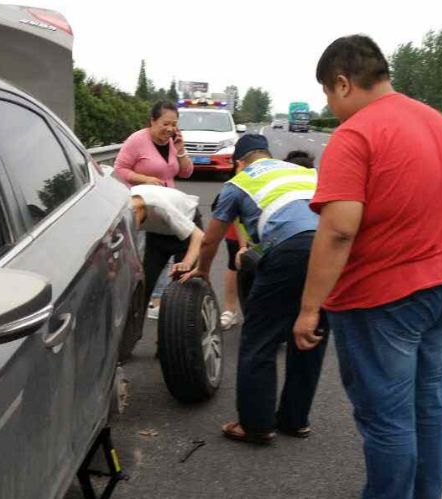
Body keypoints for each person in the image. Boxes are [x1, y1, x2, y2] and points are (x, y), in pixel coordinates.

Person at [293, 35, 442, 499]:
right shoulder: (434, 120)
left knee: (387, 419)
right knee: (426, 403)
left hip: (386, 297)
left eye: (328, 94)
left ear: (342, 83)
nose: (330, 105)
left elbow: (338, 230)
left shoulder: (356, 134)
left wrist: (310, 308)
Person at [183, 134, 328, 444]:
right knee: (309, 335)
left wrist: (203, 271)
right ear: (267, 154)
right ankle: (295, 420)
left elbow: (210, 239)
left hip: (288, 252)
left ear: (239, 162)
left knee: (260, 339)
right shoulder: (304, 172)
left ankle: (256, 424)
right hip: (331, 249)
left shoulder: (240, 183)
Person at [114, 100, 195, 317]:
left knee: (169, 252)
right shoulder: (137, 141)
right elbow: (119, 169)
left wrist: (180, 150)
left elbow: (186, 173)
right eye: (165, 124)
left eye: (174, 125)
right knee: (146, 255)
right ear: (152, 121)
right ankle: (143, 302)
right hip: (144, 207)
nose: (169, 129)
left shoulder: (172, 142)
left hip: (168, 207)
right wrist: (145, 179)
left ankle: (162, 299)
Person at [129, 184, 204, 315]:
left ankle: (196, 319)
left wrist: (187, 262)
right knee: (144, 282)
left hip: (187, 229)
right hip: (156, 231)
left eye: (131, 222)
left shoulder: (160, 207)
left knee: (183, 284)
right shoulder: (122, 203)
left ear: (137, 211)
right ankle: (134, 330)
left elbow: (199, 236)